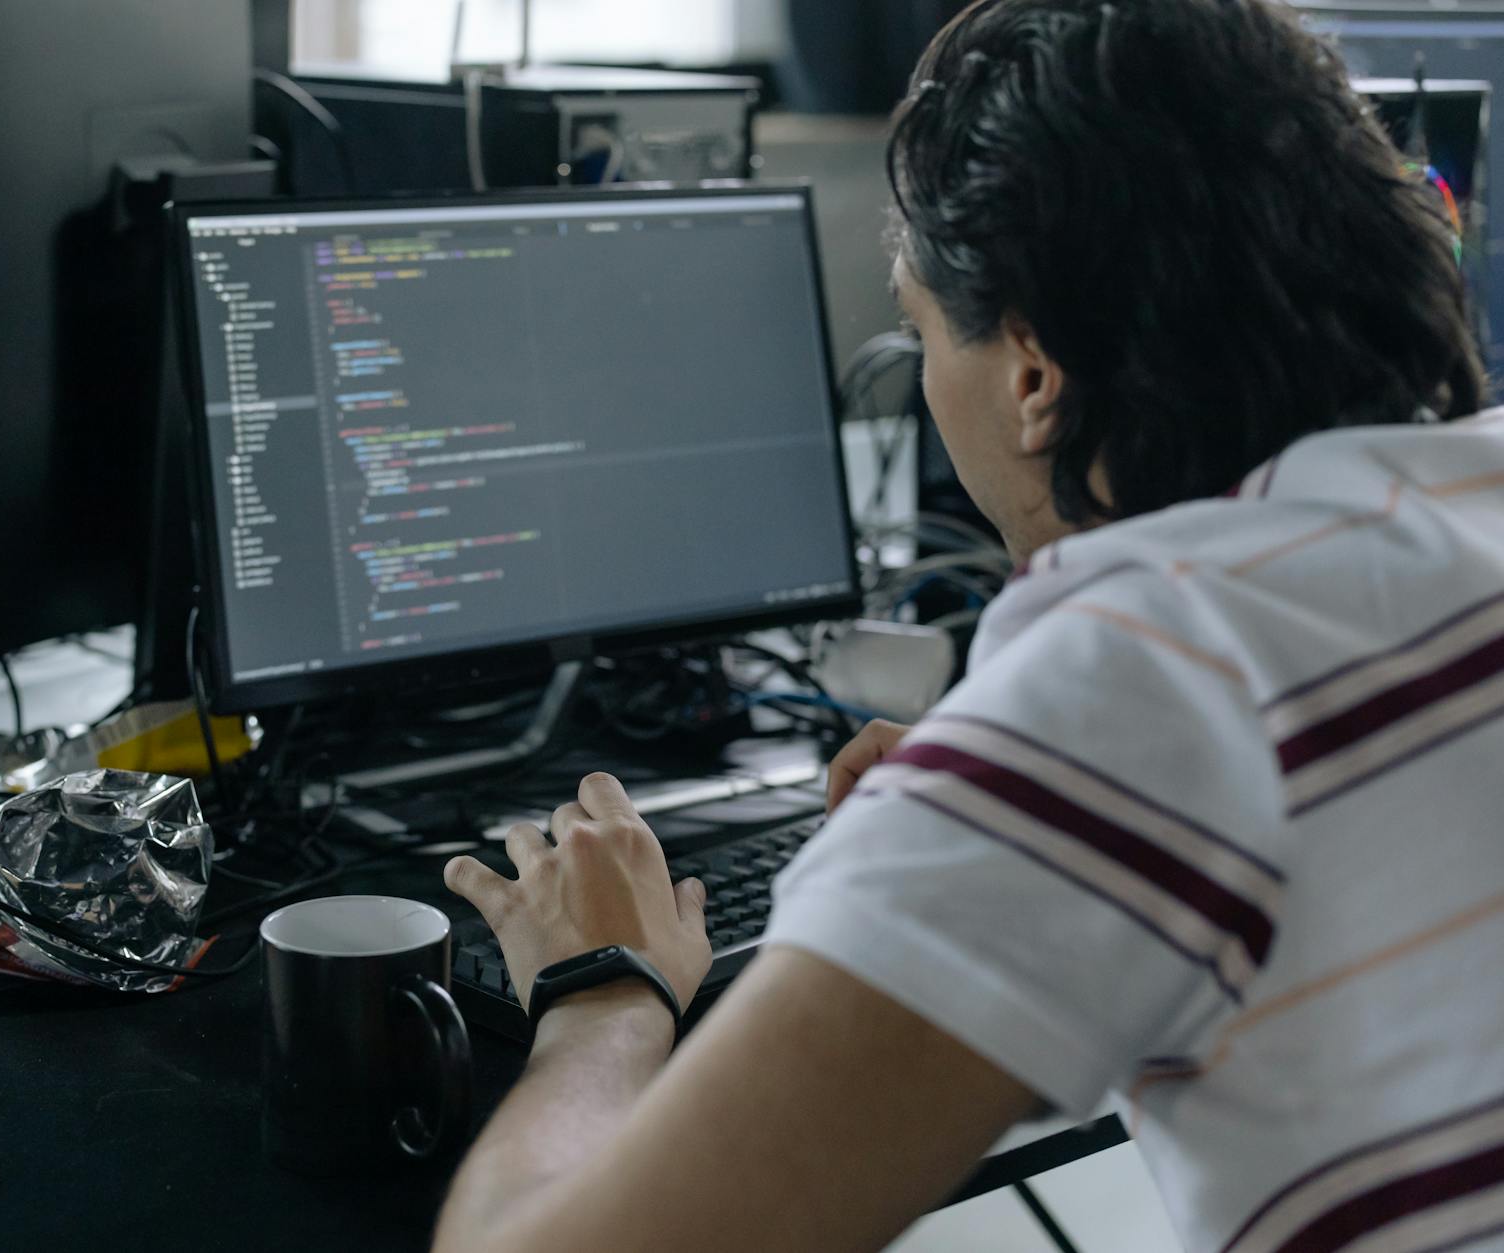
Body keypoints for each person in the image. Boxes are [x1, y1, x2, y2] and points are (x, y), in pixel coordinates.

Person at [430, 0, 1504, 1250]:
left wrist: (599, 988)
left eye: (921, 328)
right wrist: (1006, 799)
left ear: (1033, 375)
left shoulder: (1138, 694)